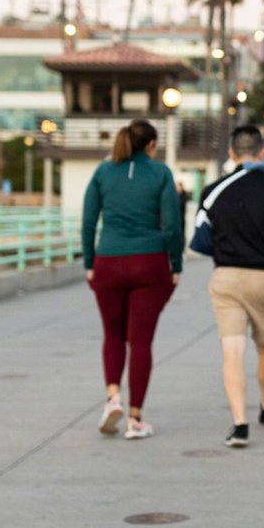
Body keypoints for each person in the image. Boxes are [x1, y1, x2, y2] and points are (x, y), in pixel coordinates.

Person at [199, 125, 264, 448]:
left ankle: (239, 424)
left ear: (232, 153)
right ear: (262, 153)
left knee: (232, 350)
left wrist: (224, 254)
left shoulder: (214, 190)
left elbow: (202, 237)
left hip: (227, 276)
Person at [81, 119, 183, 440]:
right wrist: (175, 263)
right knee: (140, 342)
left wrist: (89, 262)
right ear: (151, 144)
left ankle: (113, 397)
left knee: (112, 334)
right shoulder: (161, 173)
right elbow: (172, 225)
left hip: (108, 261)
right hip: (150, 262)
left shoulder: (103, 172)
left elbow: (88, 221)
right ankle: (135, 419)